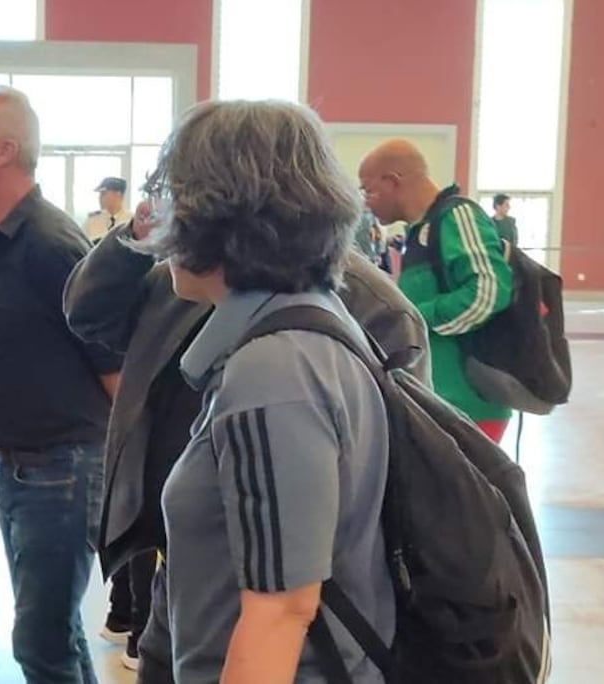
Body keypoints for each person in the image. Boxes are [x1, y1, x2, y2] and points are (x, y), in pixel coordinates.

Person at [65, 202, 430, 683]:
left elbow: (287, 602)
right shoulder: (193, 279)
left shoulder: (347, 318)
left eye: (188, 196)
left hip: (302, 627)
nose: (172, 219)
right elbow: (88, 314)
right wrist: (135, 234)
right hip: (188, 582)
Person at [137, 100, 395, 683]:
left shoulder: (274, 370)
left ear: (221, 213)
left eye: (175, 195)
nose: (160, 218)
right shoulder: (314, 324)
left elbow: (280, 612)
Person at [0, 85, 122, 684]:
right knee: (55, 636)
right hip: (27, 468)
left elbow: (111, 361)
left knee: (40, 641)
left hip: (63, 468)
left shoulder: (50, 243)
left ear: (4, 151)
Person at [359, 139, 513, 442]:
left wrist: (414, 318)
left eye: (368, 190)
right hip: (436, 401)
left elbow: (488, 292)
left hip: (469, 406)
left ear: (392, 181)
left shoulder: (458, 216)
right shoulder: (419, 231)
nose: (366, 202)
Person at [82, 177, 134, 243]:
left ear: (118, 194)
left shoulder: (131, 221)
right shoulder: (92, 221)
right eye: (100, 194)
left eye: (103, 194)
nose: (100, 198)